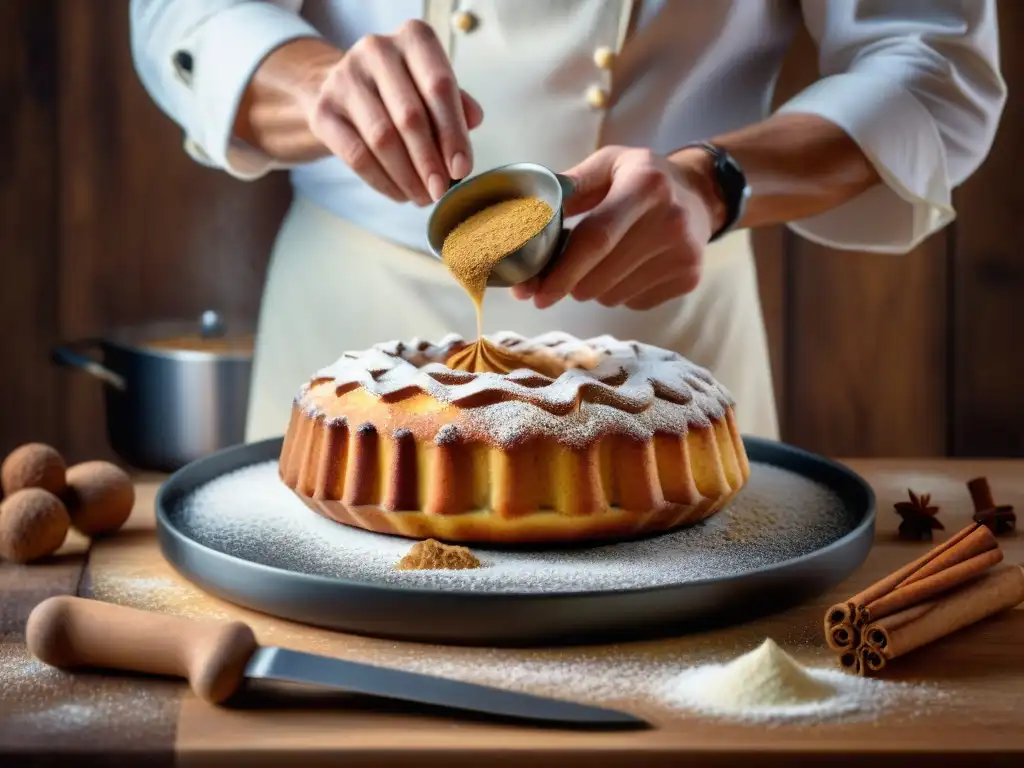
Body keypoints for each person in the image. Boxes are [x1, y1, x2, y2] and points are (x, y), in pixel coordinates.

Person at [129, 1, 1005, 444]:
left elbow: (931, 64)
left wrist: (716, 182)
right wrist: (317, 87)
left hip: (664, 352)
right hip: (342, 341)